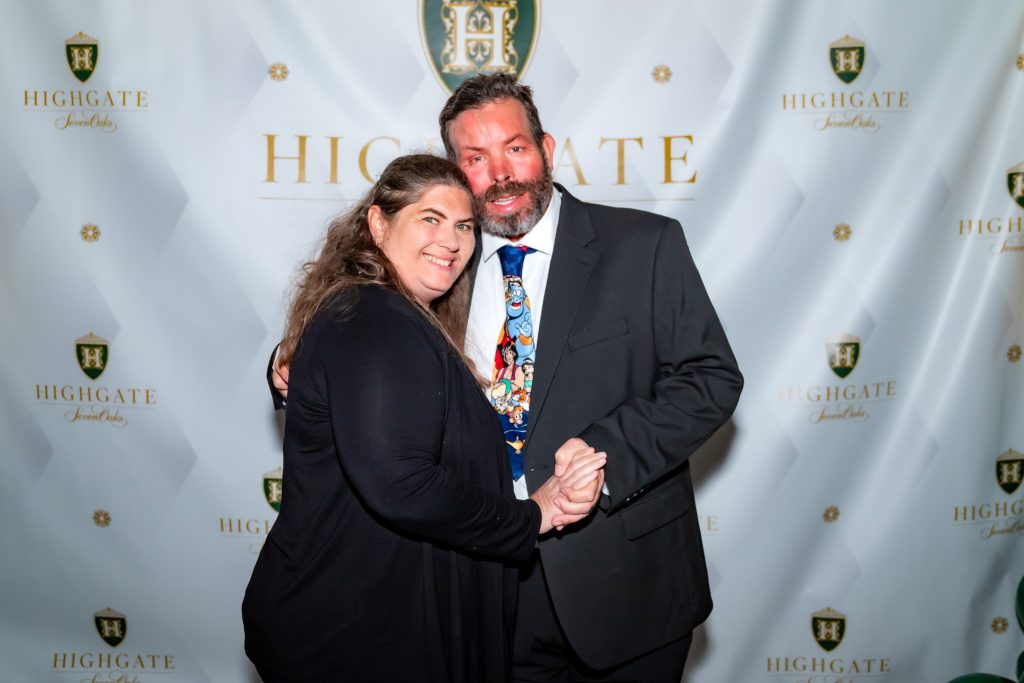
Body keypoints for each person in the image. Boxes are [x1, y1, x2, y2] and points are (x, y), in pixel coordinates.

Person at [273, 75, 743, 680]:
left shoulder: (642, 245)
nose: (499, 173)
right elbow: (356, 337)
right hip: (483, 588)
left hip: (624, 588)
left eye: (514, 148)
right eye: (474, 158)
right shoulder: (440, 265)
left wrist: (603, 455)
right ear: (454, 171)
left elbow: (710, 378)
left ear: (546, 149)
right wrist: (290, 362)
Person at [244, 154, 606, 683]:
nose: (453, 241)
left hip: (376, 619)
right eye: (430, 219)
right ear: (378, 224)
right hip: (355, 634)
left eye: (463, 226)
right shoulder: (375, 316)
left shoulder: (387, 313)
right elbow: (403, 484)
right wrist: (529, 517)